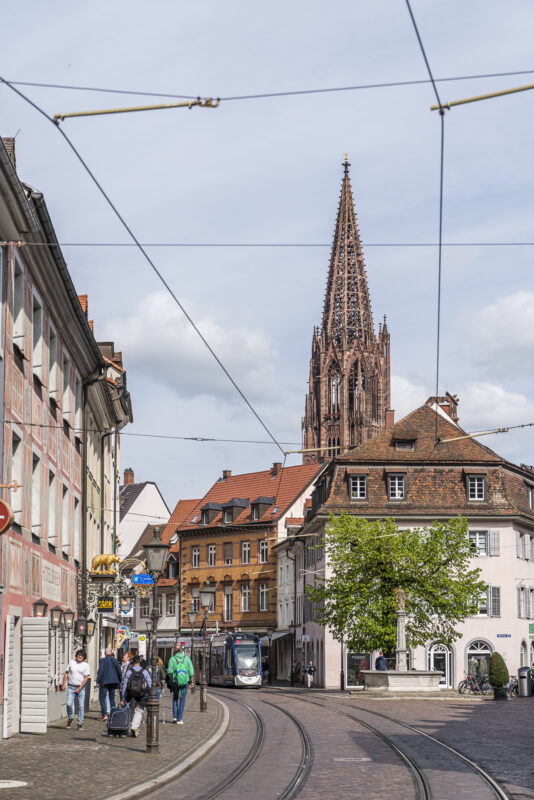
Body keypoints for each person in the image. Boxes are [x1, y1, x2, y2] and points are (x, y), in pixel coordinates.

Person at [121, 654, 151, 737]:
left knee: (131, 709)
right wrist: (149, 693)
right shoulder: (144, 671)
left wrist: (123, 697)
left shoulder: (129, 671)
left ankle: (126, 726)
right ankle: (134, 727)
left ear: (132, 662)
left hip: (131, 693)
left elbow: (124, 685)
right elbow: (149, 683)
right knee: (139, 710)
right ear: (139, 662)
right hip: (141, 694)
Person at [61, 649, 90, 730]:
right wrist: (63, 684)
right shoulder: (71, 662)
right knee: (69, 704)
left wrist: (80, 688)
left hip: (81, 688)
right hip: (71, 686)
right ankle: (70, 717)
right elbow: (66, 673)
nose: (79, 656)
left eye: (81, 655)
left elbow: (86, 678)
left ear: (84, 657)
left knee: (81, 706)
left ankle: (80, 723)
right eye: (78, 655)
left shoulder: (86, 665)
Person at [167, 643, 194, 725]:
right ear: (182, 651)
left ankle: (175, 717)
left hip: (175, 682)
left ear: (175, 651)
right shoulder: (187, 659)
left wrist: (173, 676)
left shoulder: (172, 659)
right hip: (185, 682)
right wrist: (191, 682)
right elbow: (191, 672)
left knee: (175, 698)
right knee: (182, 700)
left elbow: (169, 672)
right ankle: (179, 719)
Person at [96, 646, 122, 721]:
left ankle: (104, 715)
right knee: (112, 698)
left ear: (105, 653)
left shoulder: (103, 660)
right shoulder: (115, 660)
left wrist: (98, 681)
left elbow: (100, 672)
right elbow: (119, 671)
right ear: (111, 653)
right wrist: (120, 680)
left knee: (102, 698)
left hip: (104, 682)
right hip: (113, 682)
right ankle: (113, 714)